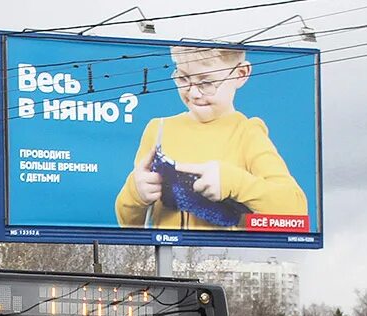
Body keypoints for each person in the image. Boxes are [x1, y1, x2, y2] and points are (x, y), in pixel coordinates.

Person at [115, 45, 307, 230]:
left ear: (240, 74)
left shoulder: (247, 134)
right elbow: (128, 224)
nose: (193, 93)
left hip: (224, 259)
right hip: (164, 257)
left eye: (206, 83)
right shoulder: (159, 130)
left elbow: (296, 212)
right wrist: (135, 193)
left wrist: (233, 182)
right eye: (183, 78)